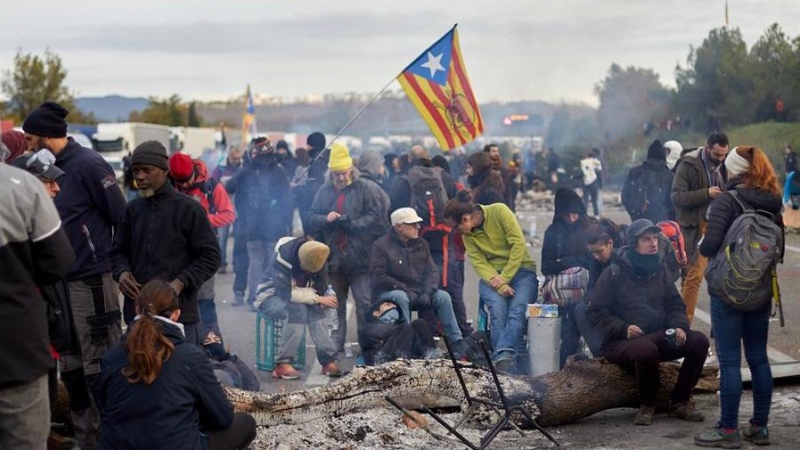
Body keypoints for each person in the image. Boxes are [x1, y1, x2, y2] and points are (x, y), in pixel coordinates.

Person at [23, 101, 127, 448]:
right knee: (72, 367)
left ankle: (114, 438)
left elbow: (120, 216)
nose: (27, 144)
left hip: (91, 281)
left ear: (48, 137)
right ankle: (86, 439)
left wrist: (108, 261)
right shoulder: (39, 171)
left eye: (31, 137)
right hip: (56, 286)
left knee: (101, 364)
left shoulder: (89, 165)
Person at [95, 280, 256, 450]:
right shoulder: (190, 356)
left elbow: (103, 407)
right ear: (176, 314)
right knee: (246, 423)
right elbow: (223, 417)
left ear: (136, 309)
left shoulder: (111, 357)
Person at [694, 146, 784, 448]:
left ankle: (728, 430)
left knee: (730, 361)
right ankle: (759, 427)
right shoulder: (774, 202)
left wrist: (704, 244)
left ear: (732, 170)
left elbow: (708, 248)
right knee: (758, 358)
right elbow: (778, 249)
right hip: (759, 291)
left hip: (727, 291)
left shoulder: (727, 200)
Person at [588, 219, 710, 427]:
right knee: (646, 350)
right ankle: (647, 405)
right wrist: (623, 328)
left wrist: (680, 326)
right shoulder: (615, 272)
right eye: (647, 239)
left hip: (658, 334)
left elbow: (674, 304)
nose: (654, 243)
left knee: (699, 341)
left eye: (655, 239)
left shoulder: (660, 269)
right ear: (635, 242)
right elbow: (594, 312)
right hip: (620, 342)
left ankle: (680, 400)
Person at [111, 140, 221, 346]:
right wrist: (122, 273)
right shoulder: (132, 210)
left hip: (179, 317)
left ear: (164, 171)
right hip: (137, 315)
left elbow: (211, 256)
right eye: (135, 171)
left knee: (178, 375)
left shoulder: (189, 209)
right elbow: (117, 251)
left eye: (146, 170)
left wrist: (180, 283)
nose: (140, 176)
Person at [0, 152, 75, 450]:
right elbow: (59, 262)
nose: (55, 188)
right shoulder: (21, 185)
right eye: (50, 181)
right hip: (15, 354)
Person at [308, 143, 390, 352]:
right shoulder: (324, 191)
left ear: (351, 171)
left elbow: (378, 219)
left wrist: (353, 224)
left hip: (362, 258)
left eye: (344, 173)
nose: (341, 178)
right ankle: (334, 349)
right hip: (334, 259)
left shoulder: (367, 188)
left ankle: (367, 348)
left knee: (364, 306)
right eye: (337, 175)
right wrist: (325, 218)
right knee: (336, 307)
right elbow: (311, 217)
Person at [444, 191, 538, 372]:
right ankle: (503, 360)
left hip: (522, 271)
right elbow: (479, 263)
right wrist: (500, 283)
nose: (454, 232)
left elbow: (518, 244)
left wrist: (505, 277)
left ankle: (502, 356)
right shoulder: (467, 236)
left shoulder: (499, 211)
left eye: (454, 227)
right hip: (493, 278)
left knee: (517, 311)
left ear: (465, 219)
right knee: (497, 311)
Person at [369, 208, 468, 356]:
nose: (418, 227)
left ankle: (457, 344)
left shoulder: (422, 243)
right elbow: (378, 275)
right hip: (391, 292)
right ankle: (406, 342)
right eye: (412, 224)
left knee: (443, 297)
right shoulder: (381, 245)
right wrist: (402, 288)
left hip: (419, 291)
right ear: (398, 227)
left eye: (417, 224)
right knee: (400, 297)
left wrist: (428, 291)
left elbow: (432, 272)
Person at [170, 152, 236, 340]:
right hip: (176, 249)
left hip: (204, 250)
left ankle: (211, 339)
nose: (183, 186)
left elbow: (229, 214)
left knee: (205, 296)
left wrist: (202, 220)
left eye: (186, 180)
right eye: (178, 182)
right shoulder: (169, 185)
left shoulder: (212, 187)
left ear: (194, 171)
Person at [258, 237, 342, 379]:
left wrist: (318, 298)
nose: (308, 273)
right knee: (298, 310)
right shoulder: (283, 257)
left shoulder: (319, 257)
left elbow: (319, 289)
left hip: (298, 297)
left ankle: (328, 359)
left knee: (315, 310)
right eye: (305, 269)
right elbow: (285, 294)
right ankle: (282, 364)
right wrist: (317, 298)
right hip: (271, 296)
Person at [225, 137, 292, 311]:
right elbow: (287, 200)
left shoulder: (246, 171)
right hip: (273, 229)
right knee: (271, 265)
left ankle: (253, 299)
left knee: (256, 263)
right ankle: (267, 299)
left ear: (256, 152)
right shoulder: (279, 171)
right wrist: (286, 222)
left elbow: (229, 186)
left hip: (252, 227)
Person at [671, 132, 729, 324]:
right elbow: (677, 197)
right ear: (707, 148)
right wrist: (706, 193)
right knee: (693, 276)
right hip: (696, 228)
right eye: (717, 155)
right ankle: (684, 324)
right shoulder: (688, 165)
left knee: (721, 276)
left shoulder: (727, 164)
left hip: (720, 225)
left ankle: (720, 323)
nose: (721, 159)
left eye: (724, 155)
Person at [541, 187, 593, 367]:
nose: (572, 218)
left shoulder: (588, 228)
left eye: (575, 214)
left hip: (586, 289)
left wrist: (565, 261)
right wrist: (572, 263)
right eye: (567, 214)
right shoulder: (553, 232)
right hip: (562, 293)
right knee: (563, 328)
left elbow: (593, 261)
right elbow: (546, 266)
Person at [573, 219, 624, 357]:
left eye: (599, 252)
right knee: (580, 309)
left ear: (610, 244)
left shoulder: (624, 257)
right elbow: (592, 284)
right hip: (604, 304)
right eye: (593, 253)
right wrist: (590, 299)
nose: (596, 256)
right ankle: (600, 353)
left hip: (624, 307)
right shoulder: (596, 259)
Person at [360, 300, 439, 366]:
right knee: (406, 328)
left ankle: (432, 360)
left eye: (396, 307)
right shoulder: (368, 327)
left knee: (420, 323)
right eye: (388, 305)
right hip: (381, 361)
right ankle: (400, 363)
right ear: (376, 313)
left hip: (411, 358)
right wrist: (402, 328)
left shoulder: (402, 329)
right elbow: (381, 332)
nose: (394, 307)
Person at [622, 139, 675, 223]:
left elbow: (625, 197)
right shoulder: (670, 176)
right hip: (663, 224)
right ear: (663, 157)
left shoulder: (635, 172)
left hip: (639, 224)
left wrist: (634, 213)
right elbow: (674, 203)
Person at [211, 145, 245, 273]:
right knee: (222, 238)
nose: (235, 161)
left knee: (238, 237)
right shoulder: (220, 168)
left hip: (238, 207)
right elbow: (212, 184)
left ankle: (237, 263)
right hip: (223, 208)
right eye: (233, 158)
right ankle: (221, 263)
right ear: (229, 157)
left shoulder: (243, 168)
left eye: (238, 159)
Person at [295, 132, 329, 234]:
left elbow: (313, 190)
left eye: (308, 145)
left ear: (312, 146)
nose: (307, 147)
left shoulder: (318, 163)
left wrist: (296, 188)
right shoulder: (325, 158)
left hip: (316, 209)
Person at [484, 143, 514, 209]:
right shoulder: (483, 168)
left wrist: (509, 207)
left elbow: (508, 189)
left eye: (497, 151)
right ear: (488, 153)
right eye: (493, 151)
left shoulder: (502, 169)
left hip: (500, 202)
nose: (496, 153)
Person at [580, 149, 603, 217]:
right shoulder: (596, 162)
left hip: (585, 182)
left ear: (587, 156)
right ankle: (596, 215)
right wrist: (601, 184)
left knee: (585, 199)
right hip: (594, 182)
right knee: (594, 200)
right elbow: (599, 172)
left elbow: (581, 173)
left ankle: (584, 214)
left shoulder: (583, 162)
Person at [784, 144, 799, 209]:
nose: (785, 150)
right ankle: (791, 200)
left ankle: (787, 200)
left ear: (789, 149)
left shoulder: (791, 157)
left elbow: (791, 166)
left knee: (788, 187)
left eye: (786, 149)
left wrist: (788, 173)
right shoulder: (790, 156)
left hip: (792, 173)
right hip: (793, 174)